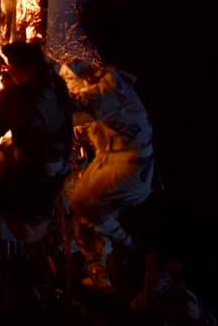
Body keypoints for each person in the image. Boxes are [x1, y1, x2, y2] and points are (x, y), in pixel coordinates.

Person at [60, 59, 154, 292]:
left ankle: (126, 243)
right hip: (113, 158)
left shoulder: (110, 89)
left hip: (129, 165)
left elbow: (75, 106)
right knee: (82, 212)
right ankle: (98, 268)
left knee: (82, 201)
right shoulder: (101, 84)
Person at [0, 42, 74, 239]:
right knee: (7, 149)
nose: (10, 73)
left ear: (22, 68)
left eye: (12, 69)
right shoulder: (57, 83)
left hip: (30, 184)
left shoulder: (19, 97)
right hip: (57, 173)